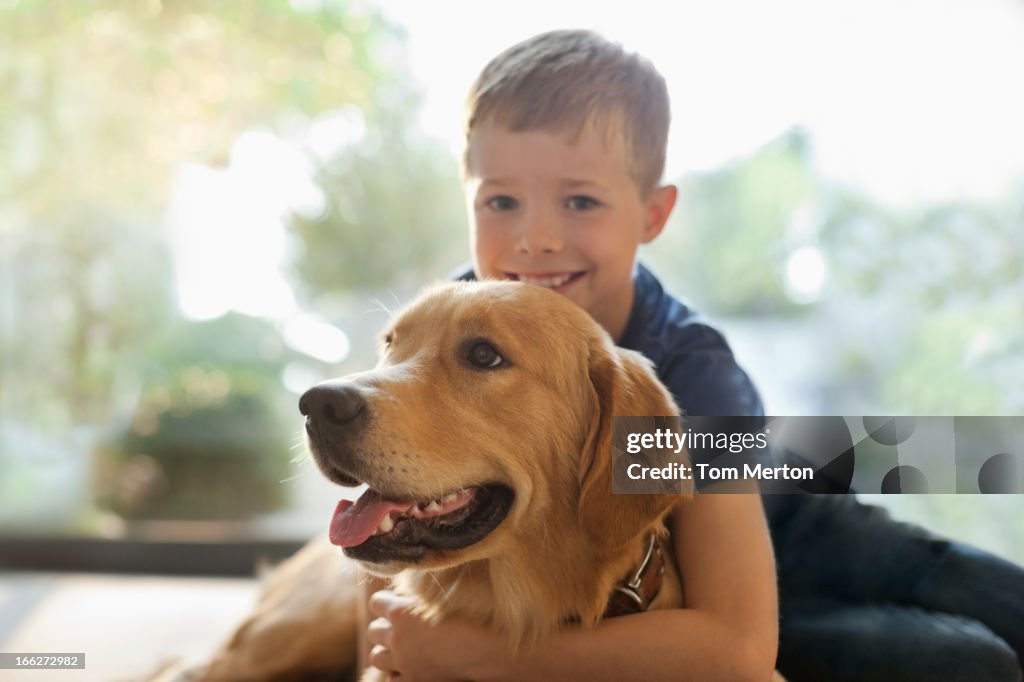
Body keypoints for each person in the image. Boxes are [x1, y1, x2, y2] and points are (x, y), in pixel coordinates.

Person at [361, 29, 1024, 681]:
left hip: (774, 513)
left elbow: (736, 645)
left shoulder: (692, 368)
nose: (534, 239)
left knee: (1001, 602)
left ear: (652, 214)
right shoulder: (443, 327)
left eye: (580, 200)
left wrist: (479, 658)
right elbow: (382, 522)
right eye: (501, 201)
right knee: (970, 662)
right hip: (679, 578)